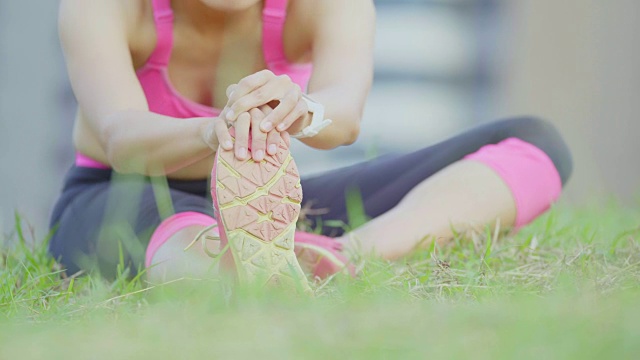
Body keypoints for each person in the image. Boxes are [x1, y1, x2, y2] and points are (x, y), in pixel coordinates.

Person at [49, 0, 572, 289]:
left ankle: (340, 257)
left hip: (271, 202)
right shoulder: (105, 8)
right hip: (118, 195)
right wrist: (214, 129)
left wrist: (303, 109)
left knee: (534, 144)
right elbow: (121, 139)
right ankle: (241, 270)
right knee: (191, 246)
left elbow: (343, 118)